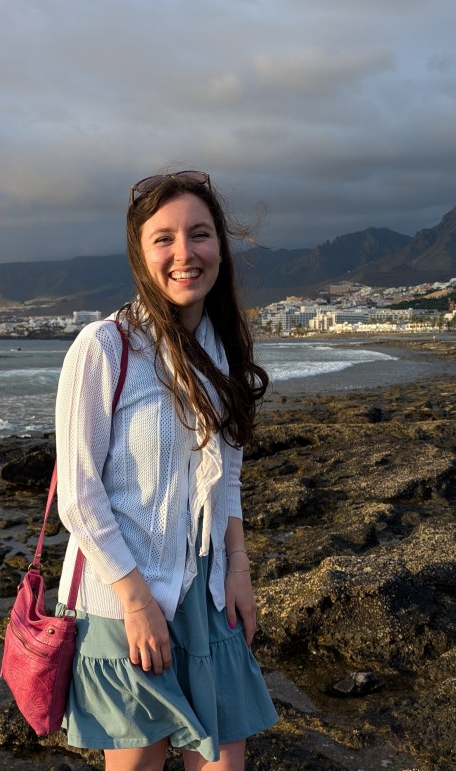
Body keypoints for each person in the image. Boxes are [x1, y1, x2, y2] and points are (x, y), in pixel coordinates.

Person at [55, 169, 277, 770]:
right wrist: (135, 602)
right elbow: (78, 496)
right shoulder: (103, 347)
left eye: (200, 235)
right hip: (122, 590)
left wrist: (238, 565)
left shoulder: (219, 350)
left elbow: (226, 475)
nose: (185, 254)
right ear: (139, 252)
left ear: (220, 249)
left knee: (227, 759)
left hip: (205, 587)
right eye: (165, 238)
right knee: (139, 764)